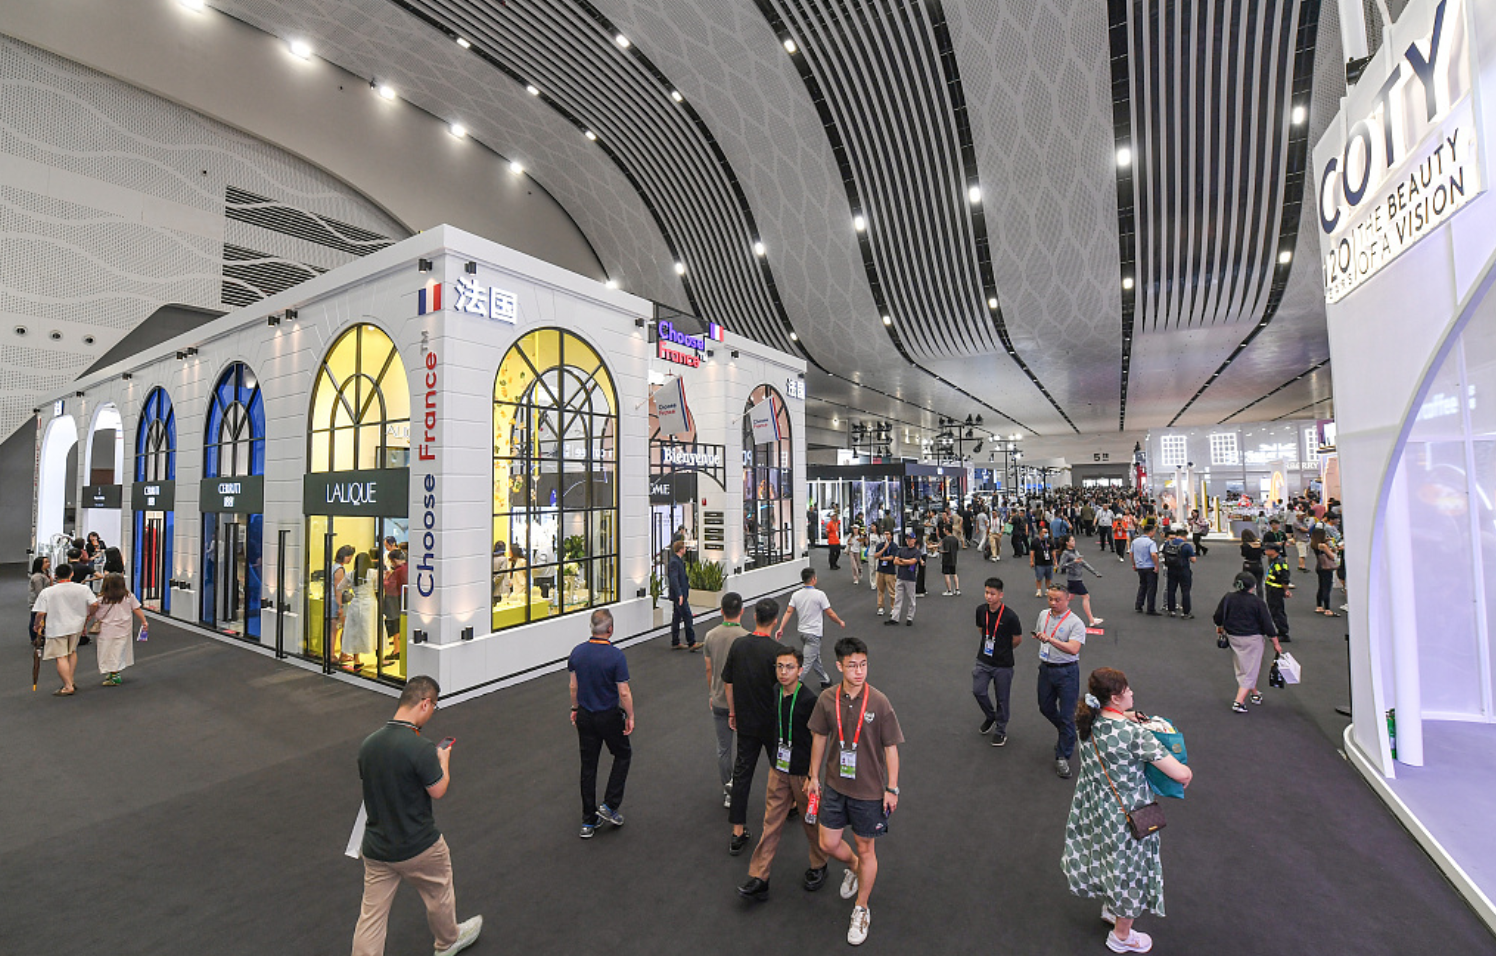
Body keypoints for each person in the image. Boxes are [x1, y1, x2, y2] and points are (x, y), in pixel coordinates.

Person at [1063, 667, 1193, 955]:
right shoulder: (1134, 735)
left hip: (1095, 806)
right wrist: (1186, 771)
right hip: (1128, 813)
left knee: (1107, 858)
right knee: (1132, 869)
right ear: (1114, 697)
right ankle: (1121, 935)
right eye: (1127, 690)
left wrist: (1128, 716)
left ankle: (1112, 907)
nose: (1132, 693)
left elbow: (1112, 723)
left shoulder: (1087, 720)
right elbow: (1180, 774)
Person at [352, 675, 482, 956]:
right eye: (434, 706)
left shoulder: (368, 745)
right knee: (439, 892)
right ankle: (447, 942)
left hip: (376, 847)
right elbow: (438, 789)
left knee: (371, 917)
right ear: (425, 704)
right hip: (418, 845)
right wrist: (443, 761)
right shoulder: (420, 747)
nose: (432, 712)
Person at [807, 637, 904, 946]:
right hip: (835, 786)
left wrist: (892, 788)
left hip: (869, 791)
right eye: (852, 666)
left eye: (863, 665)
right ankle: (854, 868)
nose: (859, 671)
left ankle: (861, 908)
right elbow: (819, 738)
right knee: (827, 842)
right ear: (839, 666)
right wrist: (813, 776)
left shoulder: (879, 702)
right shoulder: (827, 699)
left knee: (866, 849)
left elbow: (891, 748)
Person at [737, 644, 831, 901]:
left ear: (800, 670)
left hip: (802, 774)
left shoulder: (809, 700)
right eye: (779, 667)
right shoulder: (776, 692)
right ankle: (760, 876)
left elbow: (817, 739)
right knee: (771, 823)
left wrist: (813, 776)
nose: (783, 672)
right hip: (778, 769)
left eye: (789, 667)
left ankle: (819, 864)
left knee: (810, 822)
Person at [725, 597, 786, 855]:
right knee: (781, 768)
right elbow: (786, 689)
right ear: (775, 620)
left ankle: (737, 831)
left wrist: (732, 711)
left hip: (746, 721)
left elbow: (728, 681)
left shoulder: (738, 645)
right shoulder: (778, 652)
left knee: (742, 773)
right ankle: (788, 810)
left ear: (754, 617)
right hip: (772, 723)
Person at [568, 609, 634, 837]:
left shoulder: (577, 652)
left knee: (588, 765)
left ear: (592, 627)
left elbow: (573, 686)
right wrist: (631, 716)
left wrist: (575, 709)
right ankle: (610, 805)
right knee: (623, 754)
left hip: (585, 715)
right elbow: (623, 692)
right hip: (608, 716)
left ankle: (588, 821)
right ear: (610, 629)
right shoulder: (616, 656)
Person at [1033, 584, 1087, 778]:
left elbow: (1073, 649)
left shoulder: (1076, 623)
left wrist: (1050, 640)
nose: (1053, 603)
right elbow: (1039, 634)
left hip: (1067, 672)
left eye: (1058, 600)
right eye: (1050, 599)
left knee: (1067, 714)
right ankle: (1067, 732)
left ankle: (1062, 756)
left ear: (1068, 599)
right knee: (1045, 707)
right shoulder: (1043, 615)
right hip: (1046, 668)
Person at [1213, 573, 1283, 713]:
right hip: (1252, 639)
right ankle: (1238, 702)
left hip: (1233, 637)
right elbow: (1267, 625)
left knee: (1244, 666)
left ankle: (1254, 693)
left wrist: (1220, 627)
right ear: (1254, 586)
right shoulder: (1257, 602)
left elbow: (1218, 617)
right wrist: (1276, 643)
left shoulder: (1228, 598)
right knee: (1251, 669)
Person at [703, 592, 746, 809]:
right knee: (745, 748)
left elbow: (709, 669)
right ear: (742, 611)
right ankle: (740, 785)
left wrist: (712, 693)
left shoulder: (710, 636)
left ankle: (728, 788)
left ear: (721, 611)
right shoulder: (746, 637)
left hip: (720, 700)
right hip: (743, 702)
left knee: (723, 749)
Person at [31, 562, 96, 696]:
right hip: (77, 625)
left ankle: (68, 686)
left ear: (55, 576)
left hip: (57, 627)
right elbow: (94, 604)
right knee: (72, 652)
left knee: (61, 656)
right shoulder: (83, 589)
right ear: (72, 574)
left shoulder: (48, 592)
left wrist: (37, 624)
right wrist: (89, 614)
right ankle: (70, 680)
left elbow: (41, 613)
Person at [973, 577, 1024, 746]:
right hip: (984, 660)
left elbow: (1017, 639)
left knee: (1002, 698)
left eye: (993, 594)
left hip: (1003, 664)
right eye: (987, 592)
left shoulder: (1010, 616)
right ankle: (991, 715)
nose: (989, 596)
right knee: (978, 691)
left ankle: (1001, 730)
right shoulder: (981, 611)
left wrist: (1003, 648)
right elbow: (981, 629)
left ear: (1001, 595)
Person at [777, 569, 845, 688]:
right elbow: (829, 613)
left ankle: (825, 680)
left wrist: (781, 627)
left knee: (814, 657)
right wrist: (839, 621)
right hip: (814, 633)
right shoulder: (819, 595)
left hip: (802, 632)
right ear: (813, 579)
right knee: (807, 662)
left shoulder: (796, 595)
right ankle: (792, 684)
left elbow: (788, 611)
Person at [86, 572, 145, 686]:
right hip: (124, 628)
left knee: (106, 651)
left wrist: (87, 620)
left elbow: (92, 611)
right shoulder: (128, 596)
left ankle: (114, 674)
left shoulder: (101, 599)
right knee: (118, 651)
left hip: (106, 629)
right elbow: (136, 608)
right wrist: (144, 621)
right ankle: (114, 672)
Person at [1056, 534, 1104, 626]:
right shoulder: (1066, 553)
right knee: (1086, 597)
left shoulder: (1075, 551)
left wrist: (1094, 572)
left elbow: (1083, 563)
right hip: (1074, 579)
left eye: (1074, 540)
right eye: (1072, 540)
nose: (1074, 542)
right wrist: (1073, 562)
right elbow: (1061, 566)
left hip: (1077, 578)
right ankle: (1091, 620)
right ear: (1067, 543)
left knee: (1069, 597)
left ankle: (1057, 613)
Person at [886, 529, 922, 627]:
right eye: (907, 539)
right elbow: (895, 561)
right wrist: (906, 561)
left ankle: (910, 617)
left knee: (911, 599)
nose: (909, 541)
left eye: (910, 539)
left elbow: (913, 562)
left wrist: (902, 560)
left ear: (914, 540)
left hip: (910, 578)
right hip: (900, 576)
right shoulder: (902, 550)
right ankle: (895, 618)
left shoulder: (916, 552)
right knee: (897, 598)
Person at [667, 539, 697, 650]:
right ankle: (691, 642)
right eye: (684, 547)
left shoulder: (678, 561)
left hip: (680, 594)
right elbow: (674, 579)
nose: (685, 549)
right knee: (687, 616)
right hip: (679, 596)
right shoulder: (675, 562)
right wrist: (679, 594)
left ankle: (675, 641)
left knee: (676, 617)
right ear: (680, 549)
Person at [1160, 526, 1196, 619]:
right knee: (1185, 591)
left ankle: (1171, 610)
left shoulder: (1168, 543)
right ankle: (1186, 612)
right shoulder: (1186, 546)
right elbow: (1193, 560)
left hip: (1171, 569)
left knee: (1171, 590)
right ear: (1185, 536)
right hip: (1183, 570)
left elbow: (1163, 554)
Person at [1262, 541, 1293, 643]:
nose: (1265, 551)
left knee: (1277, 611)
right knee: (1274, 611)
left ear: (1273, 551)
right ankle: (1280, 631)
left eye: (1267, 549)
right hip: (1271, 588)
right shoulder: (1274, 561)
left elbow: (1284, 578)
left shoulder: (1280, 563)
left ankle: (1283, 633)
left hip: (1276, 590)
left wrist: (1286, 590)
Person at [381, 550, 408, 663]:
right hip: (406, 598)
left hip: (396, 599)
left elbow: (390, 587)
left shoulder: (398, 571)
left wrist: (385, 579)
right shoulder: (408, 567)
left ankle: (397, 649)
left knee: (396, 623)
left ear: (394, 560)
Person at [1129, 524, 1160, 616]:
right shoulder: (1151, 543)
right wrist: (1156, 565)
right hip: (1149, 566)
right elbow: (1153, 554)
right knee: (1151, 588)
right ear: (1151, 532)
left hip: (1140, 566)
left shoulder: (1135, 541)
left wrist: (1134, 564)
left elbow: (1131, 554)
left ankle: (1139, 604)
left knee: (1143, 585)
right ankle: (1150, 608)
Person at [1312, 528, 1339, 616]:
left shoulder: (1314, 544)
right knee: (1327, 587)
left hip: (1319, 566)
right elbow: (1331, 556)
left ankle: (1319, 606)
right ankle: (1327, 609)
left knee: (1321, 586)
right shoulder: (1323, 546)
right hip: (1326, 568)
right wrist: (1334, 549)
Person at [872, 529, 897, 615]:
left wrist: (882, 558)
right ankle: (880, 607)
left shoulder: (894, 546)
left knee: (892, 591)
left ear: (891, 536)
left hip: (890, 571)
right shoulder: (880, 545)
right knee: (880, 590)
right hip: (880, 570)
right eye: (884, 534)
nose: (885, 536)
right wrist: (884, 548)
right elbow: (876, 555)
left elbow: (892, 557)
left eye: (887, 534)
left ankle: (893, 608)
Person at [28, 555, 52, 640]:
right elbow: (40, 592)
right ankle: (35, 638)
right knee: (36, 619)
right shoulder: (37, 577)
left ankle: (40, 636)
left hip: (43, 600)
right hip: (37, 602)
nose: (48, 563)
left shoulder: (45, 574)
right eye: (46, 562)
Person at [1029, 523, 1055, 598]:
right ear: (1040, 533)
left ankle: (1048, 590)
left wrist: (1055, 561)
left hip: (1049, 562)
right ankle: (1039, 590)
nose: (1047, 534)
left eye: (1047, 532)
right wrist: (1031, 561)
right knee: (1039, 577)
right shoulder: (1035, 541)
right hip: (1039, 563)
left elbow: (1053, 551)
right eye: (1045, 532)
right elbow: (1032, 552)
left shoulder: (1050, 541)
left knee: (1049, 578)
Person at [1239, 528, 1264, 597]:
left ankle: (1246, 598)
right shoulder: (1259, 543)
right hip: (1258, 564)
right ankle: (1260, 599)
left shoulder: (1245, 545)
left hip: (1248, 564)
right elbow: (1263, 552)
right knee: (1259, 584)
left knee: (1247, 582)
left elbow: (1243, 554)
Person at [940, 523, 962, 596]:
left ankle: (949, 590)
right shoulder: (955, 539)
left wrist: (940, 551)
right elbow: (957, 548)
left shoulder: (945, 539)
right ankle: (957, 589)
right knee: (954, 574)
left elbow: (946, 550)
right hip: (953, 558)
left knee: (947, 574)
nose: (943, 530)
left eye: (944, 528)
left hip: (946, 559)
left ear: (947, 530)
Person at [847, 521, 865, 586]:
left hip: (858, 551)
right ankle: (855, 578)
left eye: (856, 528)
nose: (854, 530)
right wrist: (849, 543)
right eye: (854, 529)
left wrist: (862, 541)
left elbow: (862, 544)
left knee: (858, 564)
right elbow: (848, 542)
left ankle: (860, 571)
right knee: (853, 565)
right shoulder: (851, 535)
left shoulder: (860, 536)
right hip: (851, 551)